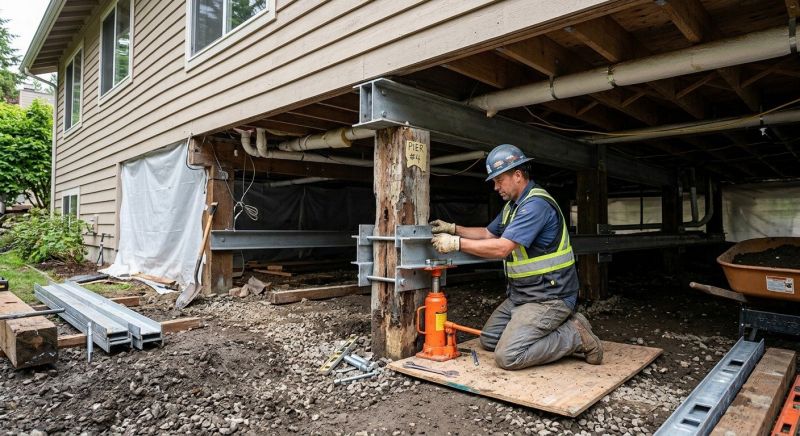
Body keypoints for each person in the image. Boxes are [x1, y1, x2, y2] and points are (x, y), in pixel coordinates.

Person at [429, 144, 603, 370]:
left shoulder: (535, 205)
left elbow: (502, 248)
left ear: (518, 175)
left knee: (508, 356)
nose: (495, 187)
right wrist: (454, 228)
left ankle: (575, 334)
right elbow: (487, 233)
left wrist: (456, 244)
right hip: (523, 295)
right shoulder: (513, 206)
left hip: (550, 296)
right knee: (489, 339)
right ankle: (545, 328)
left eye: (499, 180)